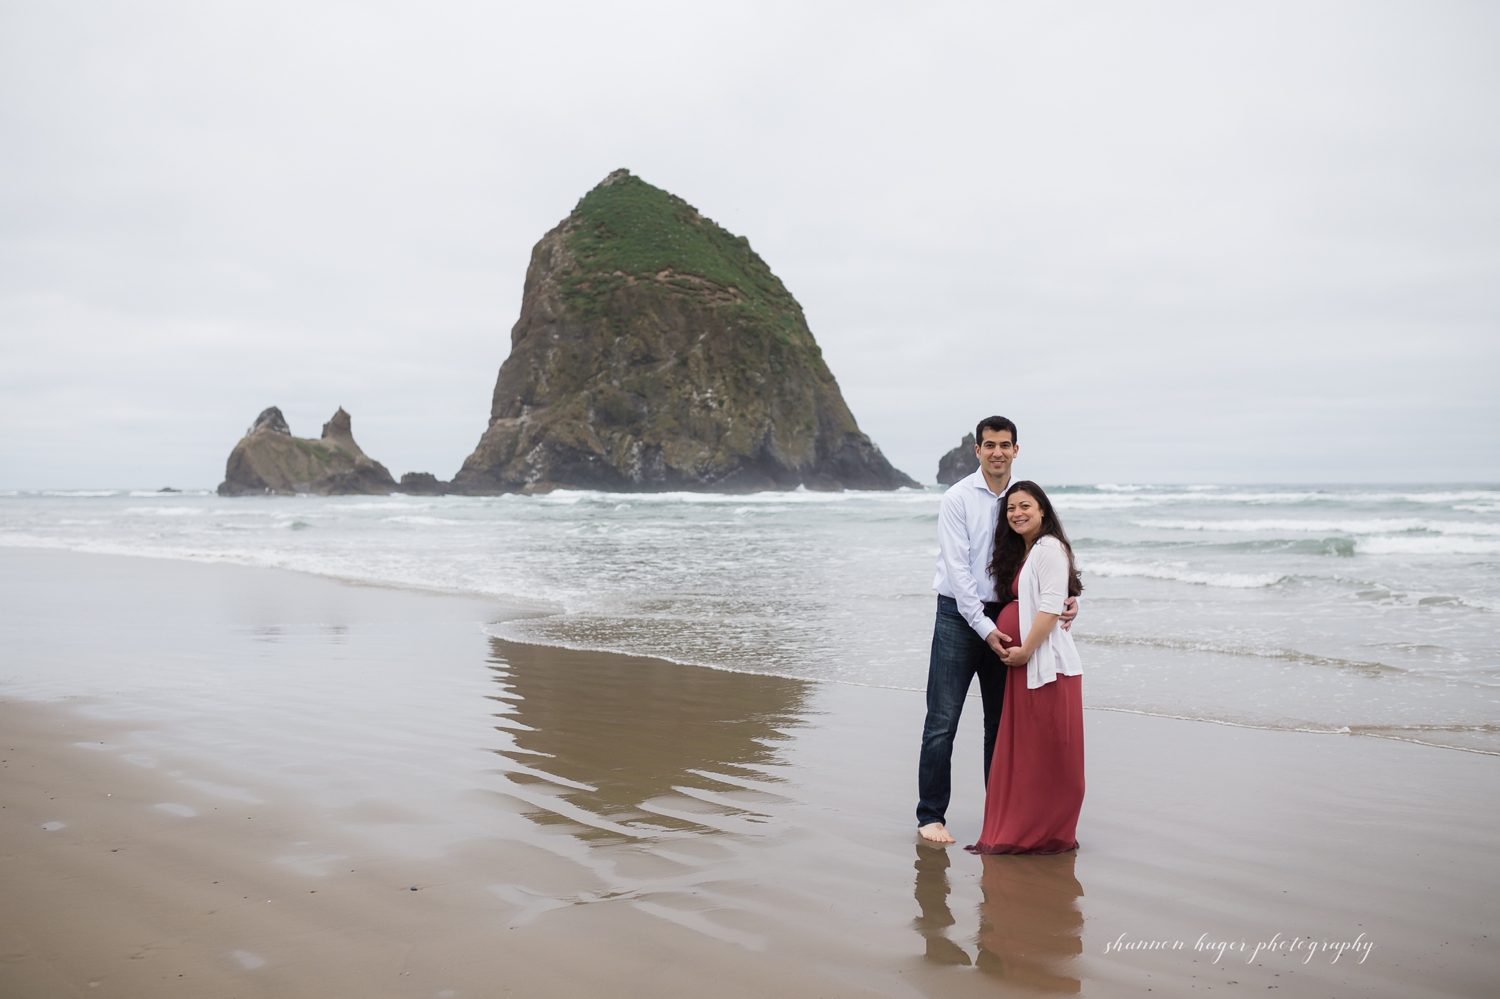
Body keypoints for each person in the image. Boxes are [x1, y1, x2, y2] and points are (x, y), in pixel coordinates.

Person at [917, 418, 1077, 844]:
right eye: (989, 445)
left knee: (1001, 725)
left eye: (1005, 445)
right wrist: (986, 629)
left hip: (1008, 617)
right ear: (977, 450)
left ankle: (999, 818)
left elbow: (1045, 554)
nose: (997, 453)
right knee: (942, 720)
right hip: (958, 616)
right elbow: (958, 572)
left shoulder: (1021, 500)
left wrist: (1068, 597)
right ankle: (930, 815)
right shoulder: (957, 499)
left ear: (1016, 450)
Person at [968, 480, 1085, 855]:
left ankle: (1045, 833)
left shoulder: (1049, 548)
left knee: (1049, 752)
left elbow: (1050, 608)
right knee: (1030, 753)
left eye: (1025, 506)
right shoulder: (1030, 550)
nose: (1017, 513)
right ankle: (1025, 828)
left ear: (1043, 511)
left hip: (1042, 664)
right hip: (1026, 665)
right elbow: (1050, 599)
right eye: (1010, 508)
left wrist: (1024, 652)